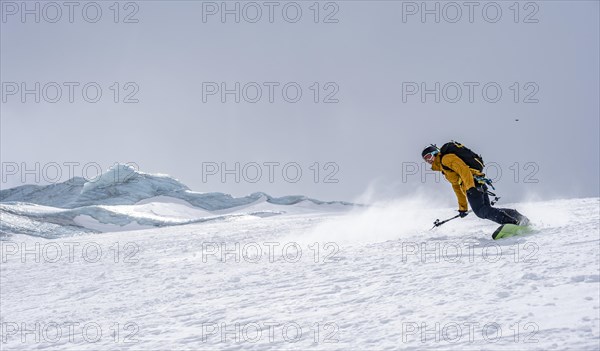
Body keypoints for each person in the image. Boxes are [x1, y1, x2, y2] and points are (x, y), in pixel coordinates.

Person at [421, 143, 529, 226]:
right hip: (475, 183)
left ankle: (512, 223)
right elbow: (456, 187)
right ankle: (517, 217)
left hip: (473, 184)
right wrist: (463, 208)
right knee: (486, 209)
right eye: (425, 159)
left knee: (481, 212)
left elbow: (464, 171)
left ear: (435, 153)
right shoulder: (444, 169)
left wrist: (471, 187)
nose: (428, 161)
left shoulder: (446, 159)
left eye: (429, 157)